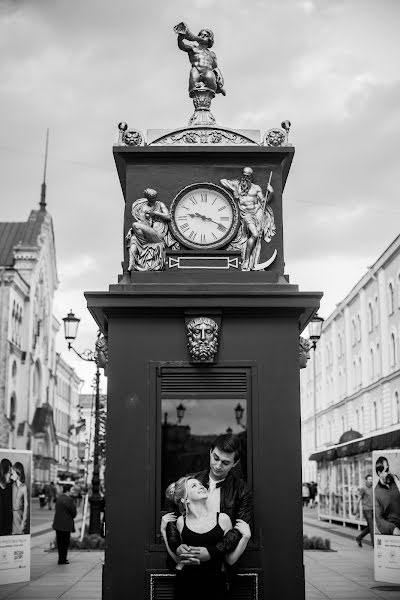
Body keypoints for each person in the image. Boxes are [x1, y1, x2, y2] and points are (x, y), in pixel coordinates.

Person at [166, 434, 252, 565]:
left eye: (225, 462)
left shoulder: (242, 490)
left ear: (235, 463)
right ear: (210, 452)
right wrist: (176, 546)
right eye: (215, 458)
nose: (218, 465)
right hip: (188, 563)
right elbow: (172, 517)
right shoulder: (190, 481)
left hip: (221, 565)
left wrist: (212, 552)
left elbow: (239, 529)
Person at [163, 476, 250, 600]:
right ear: (185, 499)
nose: (201, 486)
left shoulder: (223, 519)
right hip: (186, 586)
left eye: (200, 484)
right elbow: (178, 559)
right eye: (194, 486)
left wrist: (245, 538)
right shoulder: (181, 522)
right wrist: (163, 531)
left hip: (216, 586)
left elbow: (230, 560)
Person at [220, 167, 276, 271]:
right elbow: (222, 181)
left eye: (248, 176)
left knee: (257, 237)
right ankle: (246, 261)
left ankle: (252, 262)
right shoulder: (237, 184)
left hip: (258, 212)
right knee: (254, 234)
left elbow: (264, 202)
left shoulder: (256, 188)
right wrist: (234, 189)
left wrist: (271, 193)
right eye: (244, 175)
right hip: (246, 214)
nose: (245, 177)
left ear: (251, 177)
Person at [174, 23, 225, 96]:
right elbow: (182, 46)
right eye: (201, 34)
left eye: (206, 35)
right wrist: (180, 37)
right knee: (193, 76)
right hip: (196, 70)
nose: (203, 36)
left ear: (210, 39)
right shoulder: (193, 48)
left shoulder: (212, 54)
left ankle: (217, 88)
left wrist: (220, 76)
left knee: (210, 77)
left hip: (207, 71)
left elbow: (215, 67)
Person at [126, 188, 171, 272]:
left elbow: (168, 217)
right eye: (152, 198)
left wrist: (155, 213)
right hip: (148, 233)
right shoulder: (144, 207)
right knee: (133, 239)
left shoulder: (160, 204)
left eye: (155, 197)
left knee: (135, 225)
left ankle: (143, 242)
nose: (154, 199)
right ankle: (131, 264)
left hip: (158, 234)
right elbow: (143, 222)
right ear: (148, 198)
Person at [52, 485, 79, 564]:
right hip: (66, 524)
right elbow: (73, 513)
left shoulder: (59, 498)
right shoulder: (69, 500)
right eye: (72, 490)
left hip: (57, 524)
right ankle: (63, 559)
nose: (73, 491)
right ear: (68, 490)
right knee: (65, 542)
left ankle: (61, 558)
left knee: (60, 542)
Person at [374, 456, 400, 535]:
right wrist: (393, 529)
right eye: (386, 470)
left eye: (389, 468)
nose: (389, 472)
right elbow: (379, 519)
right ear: (379, 473)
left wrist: (397, 482)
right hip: (393, 531)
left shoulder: (395, 480)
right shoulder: (377, 492)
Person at [353, 474, 374, 547]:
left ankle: (359, 538)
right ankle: (374, 545)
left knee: (370, 527)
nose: (371, 481)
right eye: (369, 479)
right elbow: (358, 499)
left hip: (373, 509)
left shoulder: (374, 488)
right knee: (372, 527)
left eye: (372, 479)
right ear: (366, 480)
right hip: (366, 509)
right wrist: (355, 508)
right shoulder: (363, 489)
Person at [11, 462, 28, 535]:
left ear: (18, 472)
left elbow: (26, 507)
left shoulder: (24, 488)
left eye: (13, 473)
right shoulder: (11, 485)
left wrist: (23, 523)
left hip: (19, 517)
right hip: (10, 518)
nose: (11, 475)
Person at [0, 458, 13, 536]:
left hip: (7, 531)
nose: (11, 476)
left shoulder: (10, 487)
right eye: (9, 473)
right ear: (3, 472)